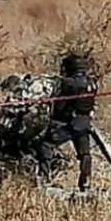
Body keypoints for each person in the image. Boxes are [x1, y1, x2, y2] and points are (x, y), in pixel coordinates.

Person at [37, 53, 98, 191]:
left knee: (46, 145)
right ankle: (85, 183)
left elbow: (60, 106)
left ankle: (43, 180)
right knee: (85, 154)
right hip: (85, 122)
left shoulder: (68, 83)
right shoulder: (92, 83)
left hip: (68, 123)